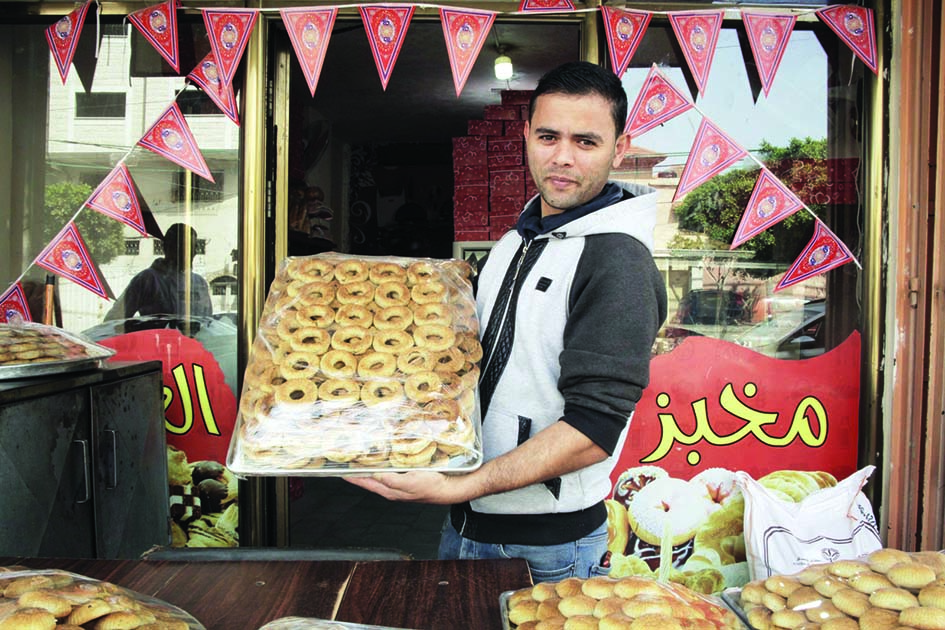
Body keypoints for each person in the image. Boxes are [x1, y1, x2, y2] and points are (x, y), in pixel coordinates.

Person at [348, 61, 667, 582]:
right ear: (526, 136)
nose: (562, 158)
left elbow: (593, 431)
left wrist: (457, 486)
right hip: (472, 525)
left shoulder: (617, 262)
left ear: (620, 148)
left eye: (586, 142)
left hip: (546, 549)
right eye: (548, 136)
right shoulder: (515, 240)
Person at [105, 223, 212, 319]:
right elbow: (114, 320)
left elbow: (207, 322)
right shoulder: (147, 280)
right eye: (182, 248)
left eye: (192, 248)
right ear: (166, 247)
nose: (189, 254)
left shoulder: (199, 283)